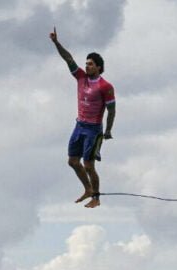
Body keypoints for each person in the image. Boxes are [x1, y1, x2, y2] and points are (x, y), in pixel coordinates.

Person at [50, 27, 116, 208]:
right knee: (72, 161)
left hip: (94, 130)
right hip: (79, 126)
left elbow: (111, 110)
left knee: (88, 165)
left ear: (99, 67)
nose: (87, 66)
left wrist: (108, 130)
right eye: (86, 63)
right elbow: (68, 58)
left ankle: (96, 197)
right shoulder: (80, 77)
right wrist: (56, 43)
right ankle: (87, 189)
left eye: (91, 64)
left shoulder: (105, 86)